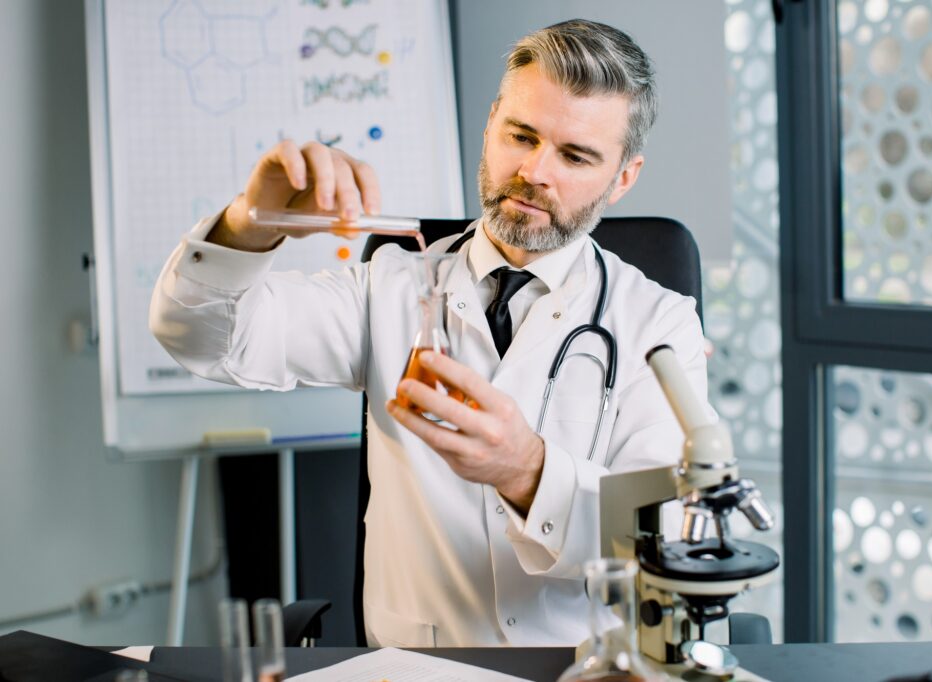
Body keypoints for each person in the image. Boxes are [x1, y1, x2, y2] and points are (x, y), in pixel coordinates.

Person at [150, 19, 713, 647]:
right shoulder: (387, 287)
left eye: (575, 156)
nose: (533, 171)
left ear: (624, 177)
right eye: (520, 135)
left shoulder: (658, 321)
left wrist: (527, 470)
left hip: (582, 669)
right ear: (491, 123)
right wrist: (249, 224)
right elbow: (201, 337)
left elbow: (663, 536)